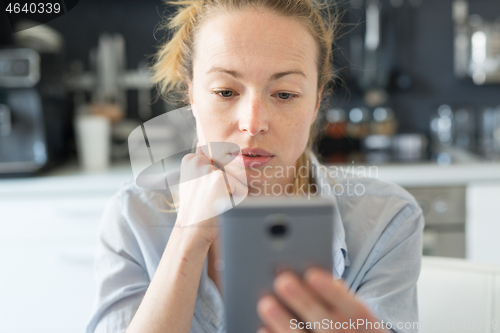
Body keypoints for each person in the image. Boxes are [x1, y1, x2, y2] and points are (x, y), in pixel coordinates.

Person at [85, 0, 424, 332]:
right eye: (225, 91)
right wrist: (187, 241)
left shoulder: (387, 221)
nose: (253, 122)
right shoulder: (133, 217)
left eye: (285, 94)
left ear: (317, 101)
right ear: (191, 95)